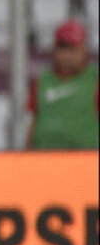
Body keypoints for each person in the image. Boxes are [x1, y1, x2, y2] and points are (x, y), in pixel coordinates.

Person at [26, 19, 99, 150]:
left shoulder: (94, 80)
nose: (67, 56)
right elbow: (34, 121)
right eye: (62, 48)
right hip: (45, 160)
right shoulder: (44, 80)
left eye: (72, 49)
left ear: (84, 50)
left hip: (86, 160)